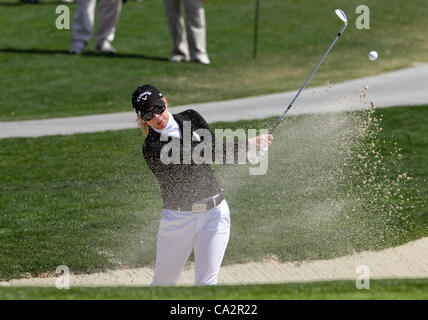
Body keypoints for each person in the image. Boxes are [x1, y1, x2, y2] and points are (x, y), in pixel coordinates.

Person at [131, 84, 272, 285]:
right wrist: (246, 146)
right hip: (178, 220)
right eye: (147, 115)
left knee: (207, 284)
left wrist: (250, 152)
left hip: (215, 213)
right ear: (140, 118)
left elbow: (215, 150)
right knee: (163, 285)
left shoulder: (191, 117)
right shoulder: (151, 148)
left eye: (158, 109)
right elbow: (198, 157)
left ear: (165, 103)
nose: (156, 117)